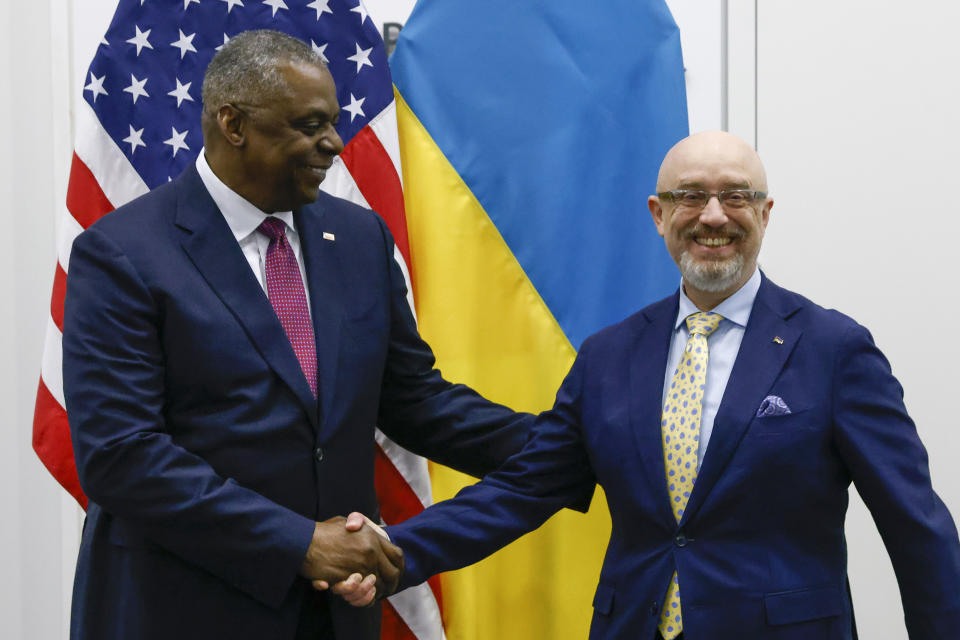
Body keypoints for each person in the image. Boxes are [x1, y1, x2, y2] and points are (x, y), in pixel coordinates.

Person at [347, 131, 960, 638]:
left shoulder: (834, 349)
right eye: (690, 196)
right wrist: (395, 552)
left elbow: (914, 522)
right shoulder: (609, 355)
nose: (713, 215)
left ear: (766, 214)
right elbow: (523, 489)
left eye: (736, 196)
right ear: (658, 214)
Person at [62, 30, 533, 640]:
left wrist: (566, 441)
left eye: (333, 122)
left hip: (333, 616)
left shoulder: (360, 238)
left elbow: (415, 401)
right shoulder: (123, 254)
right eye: (310, 125)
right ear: (233, 124)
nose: (334, 144)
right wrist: (298, 543)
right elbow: (120, 454)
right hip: (181, 606)